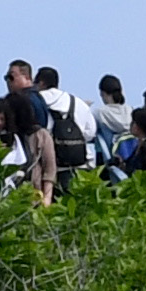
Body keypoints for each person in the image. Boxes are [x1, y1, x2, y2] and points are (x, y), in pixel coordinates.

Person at [36, 67, 98, 195]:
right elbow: (91, 132)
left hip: (53, 169)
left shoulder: (37, 100)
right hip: (81, 165)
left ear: (41, 83)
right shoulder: (77, 102)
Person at [3, 60, 55, 204]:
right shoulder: (38, 98)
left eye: (11, 77)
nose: (7, 81)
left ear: (26, 77)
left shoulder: (27, 99)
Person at [94, 75, 134, 166]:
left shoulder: (99, 113)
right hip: (130, 157)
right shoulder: (130, 110)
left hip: (110, 160)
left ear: (102, 93)